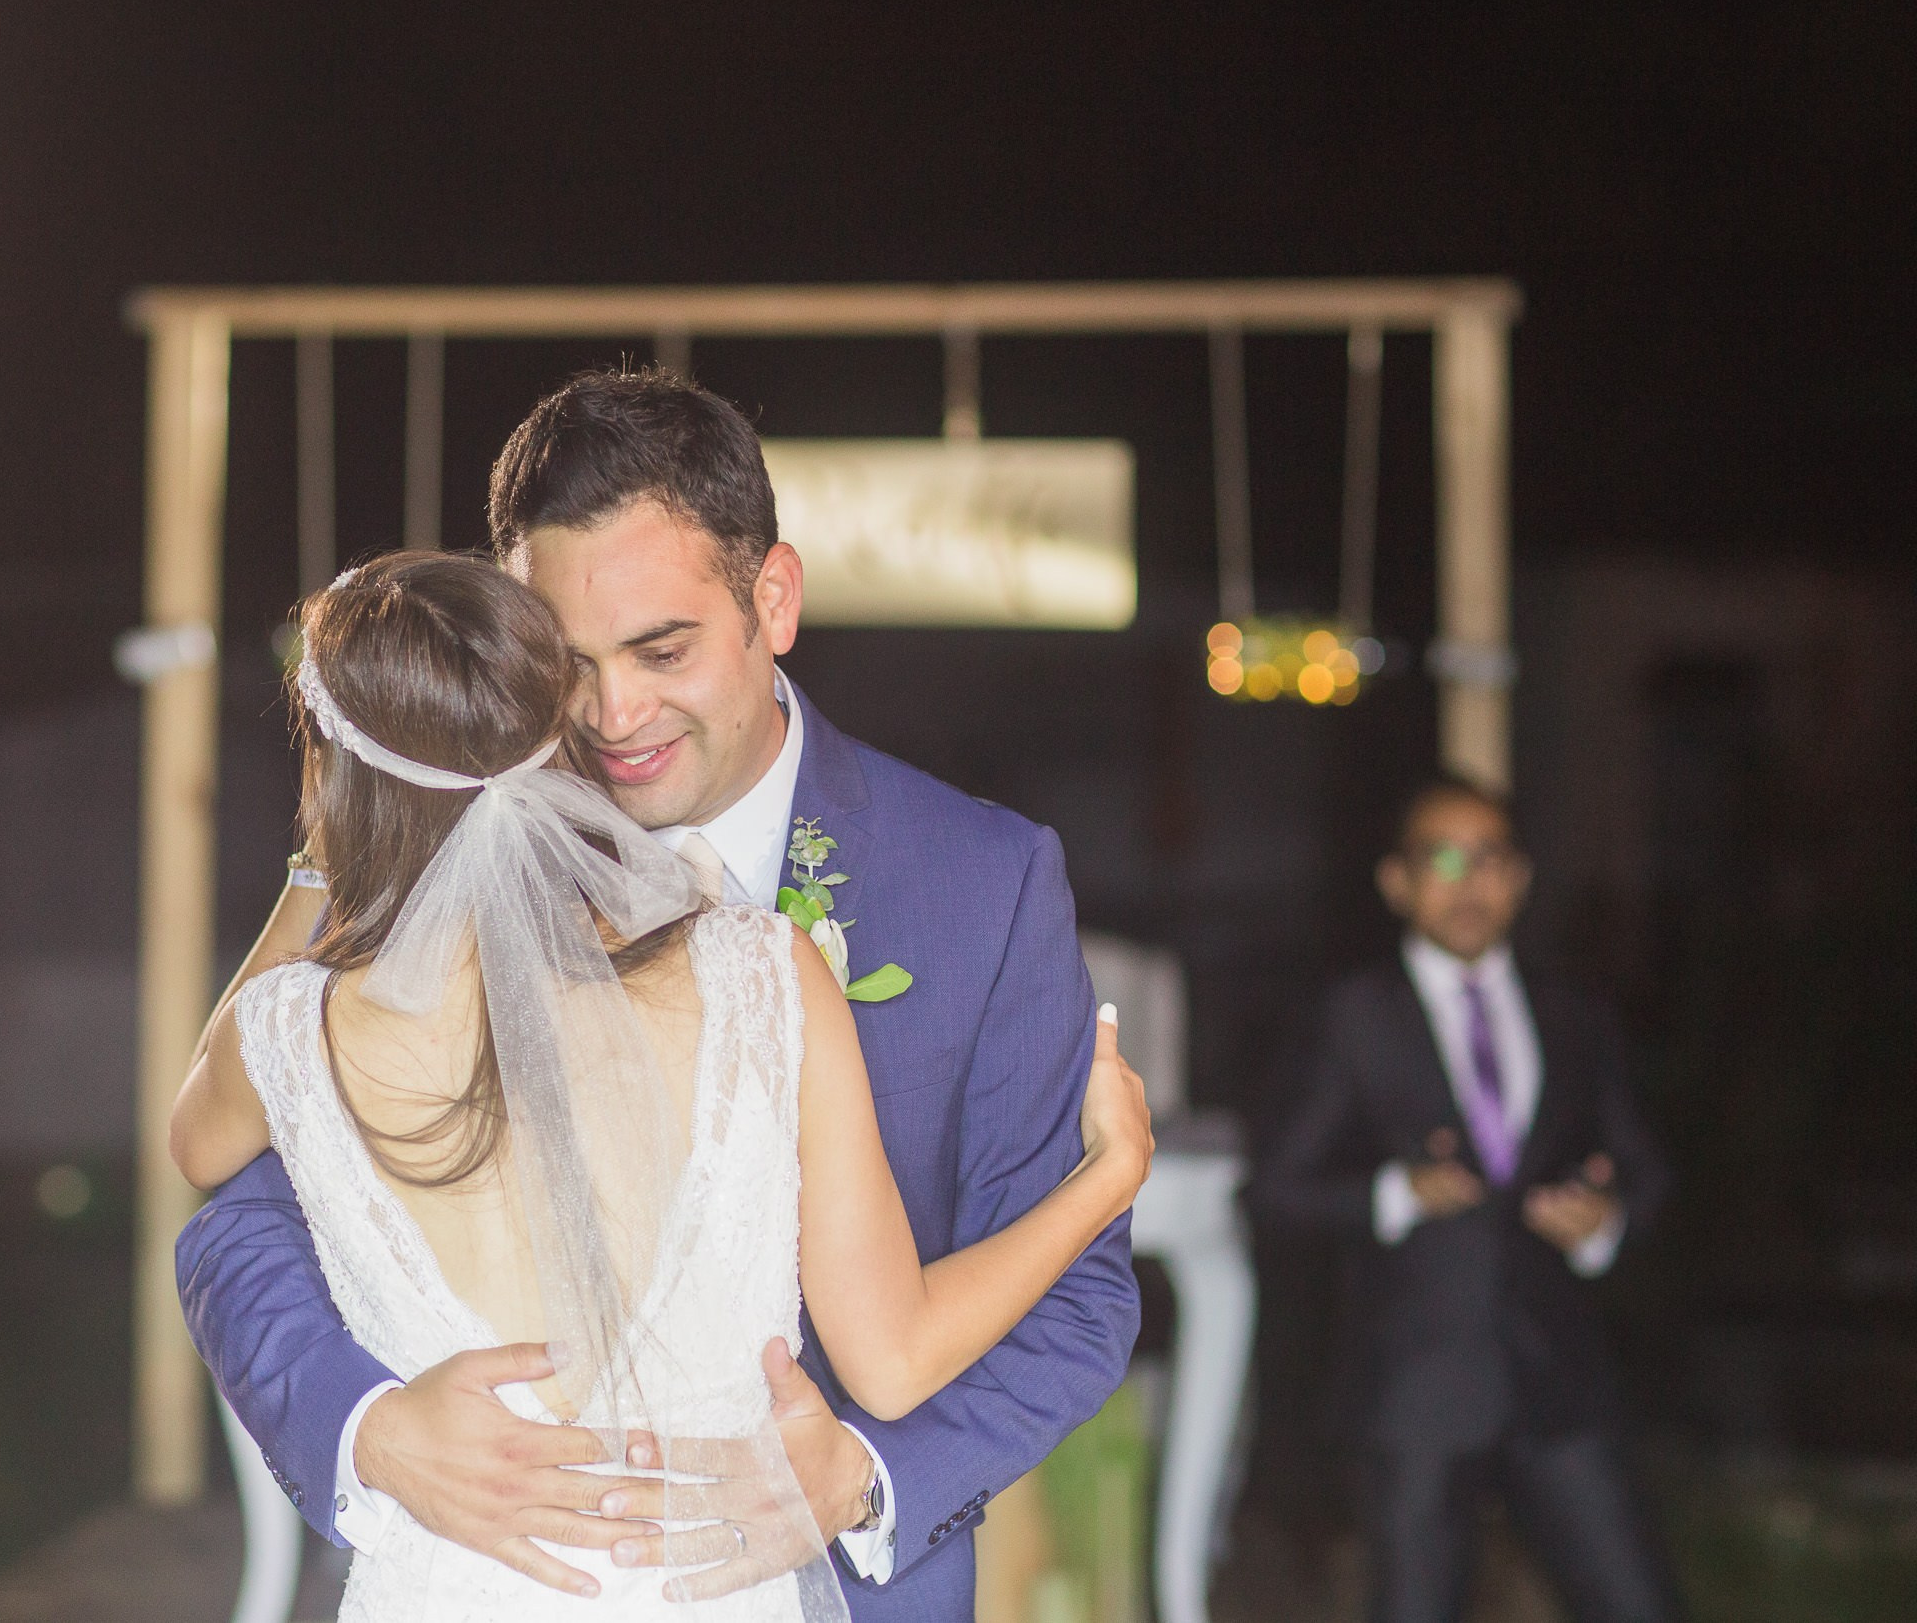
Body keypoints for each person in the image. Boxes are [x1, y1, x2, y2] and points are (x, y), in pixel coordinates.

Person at [178, 368, 1143, 1620]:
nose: (615, 713)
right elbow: (237, 1219)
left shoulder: (986, 880)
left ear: (772, 601)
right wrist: (367, 1428)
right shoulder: (422, 922)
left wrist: (860, 1475)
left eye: (662, 648)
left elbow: (1082, 1298)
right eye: (567, 664)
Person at [1252, 776, 1682, 1623]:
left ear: (1519, 878)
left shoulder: (1573, 1014)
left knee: (1638, 1600)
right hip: (1416, 1393)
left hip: (1558, 1382)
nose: (1468, 880)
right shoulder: (1354, 1017)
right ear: (1397, 881)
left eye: (1488, 858)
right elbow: (1274, 1186)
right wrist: (1392, 1192)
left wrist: (1606, 1223)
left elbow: (1648, 1169)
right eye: (1441, 858)